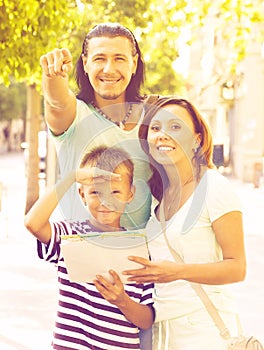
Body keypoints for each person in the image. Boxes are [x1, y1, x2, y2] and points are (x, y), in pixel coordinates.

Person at [123, 97, 247, 350]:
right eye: (155, 128)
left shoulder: (213, 186)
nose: (163, 135)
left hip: (205, 330)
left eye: (176, 127)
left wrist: (177, 272)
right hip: (164, 331)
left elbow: (237, 267)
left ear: (197, 140)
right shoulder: (161, 195)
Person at [24, 145, 155, 350]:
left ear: (130, 194)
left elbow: (147, 320)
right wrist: (71, 177)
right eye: (95, 192)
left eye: (115, 191)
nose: (105, 200)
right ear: (82, 195)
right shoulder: (70, 235)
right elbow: (33, 223)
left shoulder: (140, 249)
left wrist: (121, 300)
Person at [39, 22, 155, 229]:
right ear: (85, 64)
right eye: (99, 59)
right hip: (82, 253)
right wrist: (52, 76)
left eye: (119, 59)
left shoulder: (153, 119)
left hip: (141, 254)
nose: (109, 69)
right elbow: (56, 101)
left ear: (134, 63)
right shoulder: (74, 114)